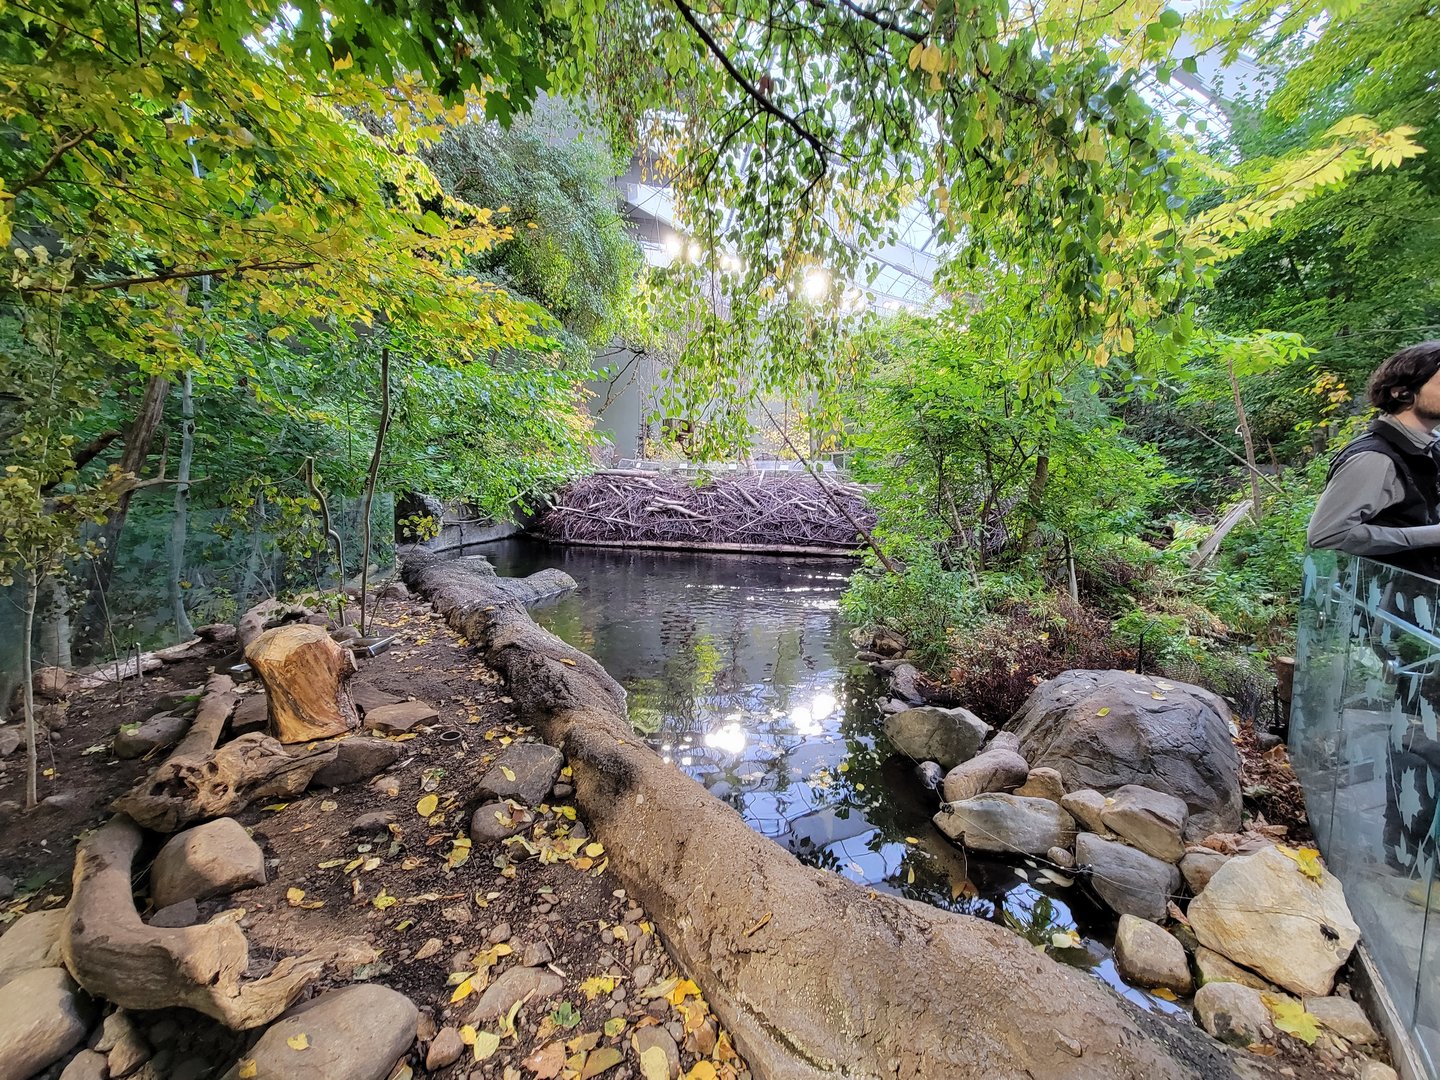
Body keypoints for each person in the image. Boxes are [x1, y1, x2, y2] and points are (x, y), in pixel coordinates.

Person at [1308, 341, 1440, 895]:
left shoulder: (1425, 447)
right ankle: (1408, 856)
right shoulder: (1375, 457)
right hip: (1410, 621)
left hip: (1424, 613)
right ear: (1404, 389)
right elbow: (1328, 537)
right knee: (1419, 731)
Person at [1308, 340, 1440, 576]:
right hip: (1386, 605)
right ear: (1401, 393)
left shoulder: (1431, 446)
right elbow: (1326, 535)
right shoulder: (1373, 459)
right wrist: (1431, 535)